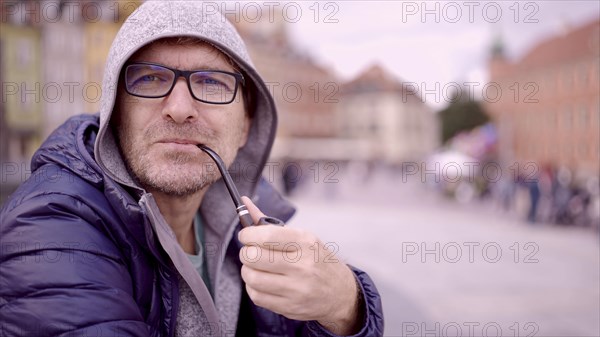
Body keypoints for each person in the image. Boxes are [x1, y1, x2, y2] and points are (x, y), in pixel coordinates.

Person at [0, 2, 384, 336]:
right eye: (150, 78)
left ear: (246, 123)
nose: (180, 107)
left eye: (211, 82)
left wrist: (345, 306)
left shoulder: (254, 220)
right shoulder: (52, 231)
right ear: (115, 111)